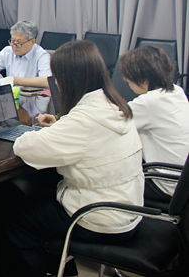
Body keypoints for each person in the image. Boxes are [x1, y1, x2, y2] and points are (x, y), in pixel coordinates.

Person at [8, 40, 143, 277]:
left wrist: (36, 132)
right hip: (129, 209)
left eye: (58, 78)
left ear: (69, 79)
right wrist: (61, 126)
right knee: (44, 190)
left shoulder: (84, 119)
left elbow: (25, 147)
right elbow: (90, 140)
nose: (57, 84)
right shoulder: (117, 105)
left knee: (20, 218)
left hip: (99, 218)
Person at [119, 45, 189, 202]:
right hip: (183, 180)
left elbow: (111, 122)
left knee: (112, 179)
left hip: (166, 184)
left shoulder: (149, 102)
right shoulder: (177, 91)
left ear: (144, 80)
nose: (127, 81)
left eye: (128, 77)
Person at [0, 20, 51, 89]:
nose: (14, 46)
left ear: (32, 42)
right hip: (11, 97)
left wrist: (18, 81)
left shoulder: (42, 56)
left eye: (19, 42)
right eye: (13, 41)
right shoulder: (7, 51)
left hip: (33, 98)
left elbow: (47, 81)